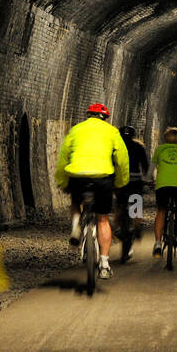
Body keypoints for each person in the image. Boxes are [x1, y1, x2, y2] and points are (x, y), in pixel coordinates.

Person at [55, 103, 129, 280]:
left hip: (78, 175)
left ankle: (75, 228)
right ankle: (104, 264)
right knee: (102, 218)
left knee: (75, 202)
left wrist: (63, 181)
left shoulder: (76, 129)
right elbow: (122, 160)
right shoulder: (112, 132)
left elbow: (63, 156)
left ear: (88, 115)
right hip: (103, 177)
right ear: (105, 117)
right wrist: (120, 182)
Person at [151, 127, 177, 257]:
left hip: (162, 185)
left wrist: (147, 179)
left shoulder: (159, 150)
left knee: (161, 211)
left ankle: (157, 243)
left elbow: (151, 168)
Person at [114, 125, 149, 262]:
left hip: (120, 182)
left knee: (120, 203)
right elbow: (145, 165)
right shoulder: (138, 147)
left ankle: (116, 226)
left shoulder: (115, 147)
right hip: (135, 181)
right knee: (136, 203)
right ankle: (137, 225)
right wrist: (147, 178)